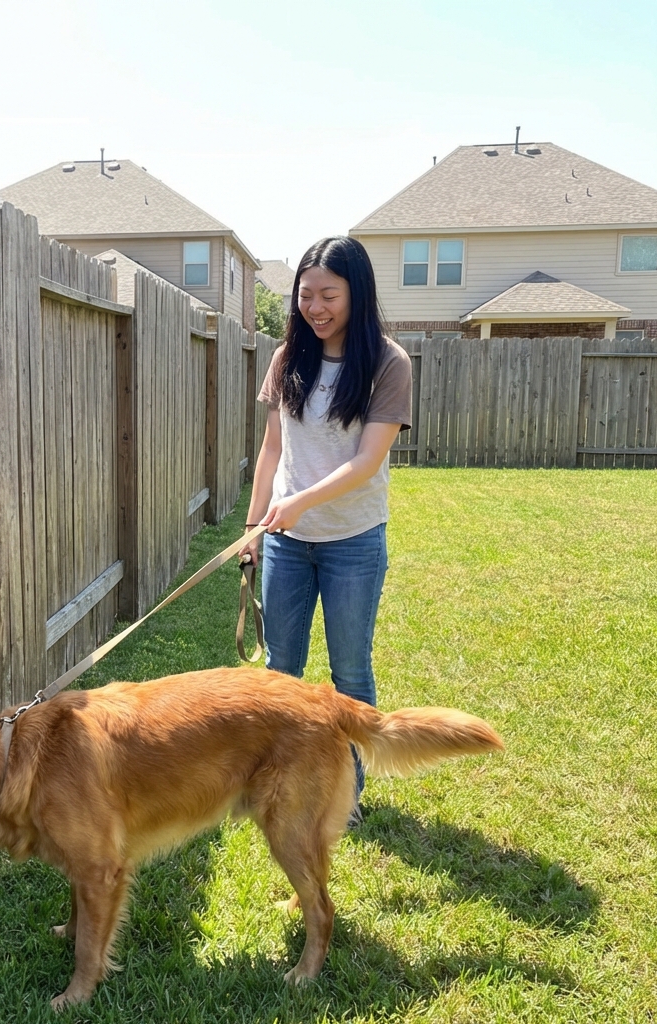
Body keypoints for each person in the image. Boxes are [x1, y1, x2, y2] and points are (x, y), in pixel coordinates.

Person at [240, 235, 412, 816]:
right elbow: (271, 448)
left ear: (355, 294)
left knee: (349, 673)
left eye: (328, 296)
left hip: (353, 542)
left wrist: (299, 503)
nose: (315, 308)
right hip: (287, 542)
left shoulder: (388, 364)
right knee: (278, 673)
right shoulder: (288, 357)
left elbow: (366, 463)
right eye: (305, 296)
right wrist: (255, 524)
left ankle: (349, 797)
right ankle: (272, 789)